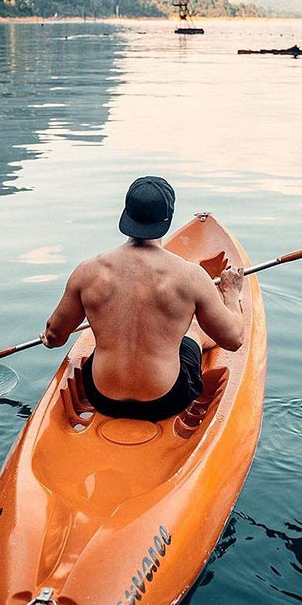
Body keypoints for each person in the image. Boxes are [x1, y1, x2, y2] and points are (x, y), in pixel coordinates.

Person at [40, 176, 245, 422]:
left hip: (102, 397)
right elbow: (233, 340)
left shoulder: (88, 271)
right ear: (167, 219)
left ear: (126, 214)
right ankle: (194, 335)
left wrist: (50, 338)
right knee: (190, 329)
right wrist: (231, 294)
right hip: (166, 400)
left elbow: (55, 337)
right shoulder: (190, 276)